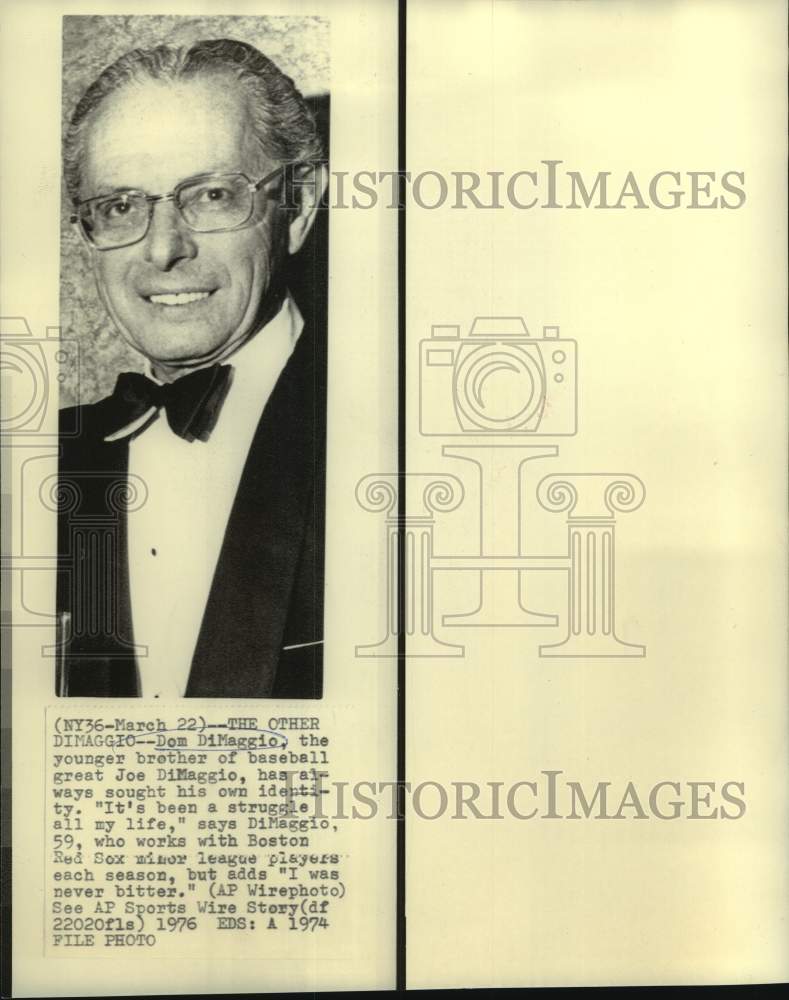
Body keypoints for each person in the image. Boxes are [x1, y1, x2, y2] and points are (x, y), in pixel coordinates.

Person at [56, 38, 328, 698]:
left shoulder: (387, 442)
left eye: (209, 195)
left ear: (296, 209)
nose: (163, 248)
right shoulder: (53, 460)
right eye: (120, 205)